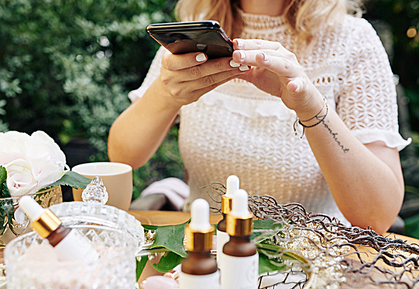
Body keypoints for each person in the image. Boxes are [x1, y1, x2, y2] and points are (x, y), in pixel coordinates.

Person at [108, 0, 410, 234]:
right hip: (204, 254)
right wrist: (165, 94)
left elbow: (377, 215)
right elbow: (122, 156)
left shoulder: (353, 40)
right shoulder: (192, 38)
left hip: (317, 260)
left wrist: (309, 106)